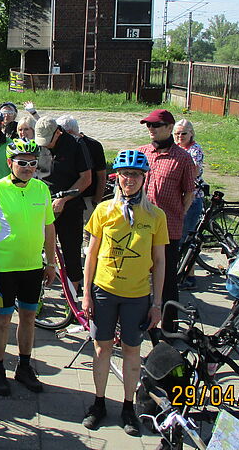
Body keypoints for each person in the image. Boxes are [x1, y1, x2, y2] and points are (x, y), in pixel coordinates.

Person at [81, 149, 166, 435]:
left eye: (135, 175)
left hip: (137, 294)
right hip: (104, 290)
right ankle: (99, 402)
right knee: (101, 348)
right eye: (124, 174)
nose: (129, 180)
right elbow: (91, 254)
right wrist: (86, 294)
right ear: (117, 178)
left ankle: (129, 405)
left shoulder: (155, 215)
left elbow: (160, 261)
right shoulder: (104, 210)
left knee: (132, 351)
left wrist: (157, 303)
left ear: (144, 178)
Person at [0, 139, 56, 396]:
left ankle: (24, 366)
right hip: (3, 269)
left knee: (29, 318)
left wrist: (52, 262)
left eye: (33, 163)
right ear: (10, 163)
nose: (28, 168)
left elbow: (49, 228)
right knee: (3, 320)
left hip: (32, 267)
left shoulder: (42, 190)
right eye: (22, 163)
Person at [137, 109, 196, 332]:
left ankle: (169, 326)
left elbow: (189, 193)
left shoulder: (183, 158)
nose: (151, 129)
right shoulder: (142, 153)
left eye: (156, 125)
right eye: (148, 126)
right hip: (141, 226)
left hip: (168, 228)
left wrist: (177, 213)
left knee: (167, 278)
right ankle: (141, 318)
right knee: (140, 273)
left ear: (170, 128)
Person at [34, 116, 91, 290]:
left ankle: (73, 296)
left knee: (71, 252)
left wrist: (64, 199)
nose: (44, 145)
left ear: (57, 133)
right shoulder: (37, 146)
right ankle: (36, 293)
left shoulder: (76, 145)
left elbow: (86, 178)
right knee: (37, 250)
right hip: (43, 205)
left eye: (47, 141)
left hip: (70, 206)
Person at [174, 119, 205, 291]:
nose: (180, 137)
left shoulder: (195, 150)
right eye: (177, 134)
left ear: (191, 133)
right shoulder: (178, 148)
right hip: (179, 198)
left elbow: (192, 172)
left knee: (185, 239)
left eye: (183, 133)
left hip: (192, 199)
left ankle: (190, 277)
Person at [61, 116, 107, 225]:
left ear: (69, 132)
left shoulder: (94, 145)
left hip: (88, 199)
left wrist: (97, 200)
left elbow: (101, 175)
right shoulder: (61, 146)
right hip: (66, 199)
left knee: (88, 234)